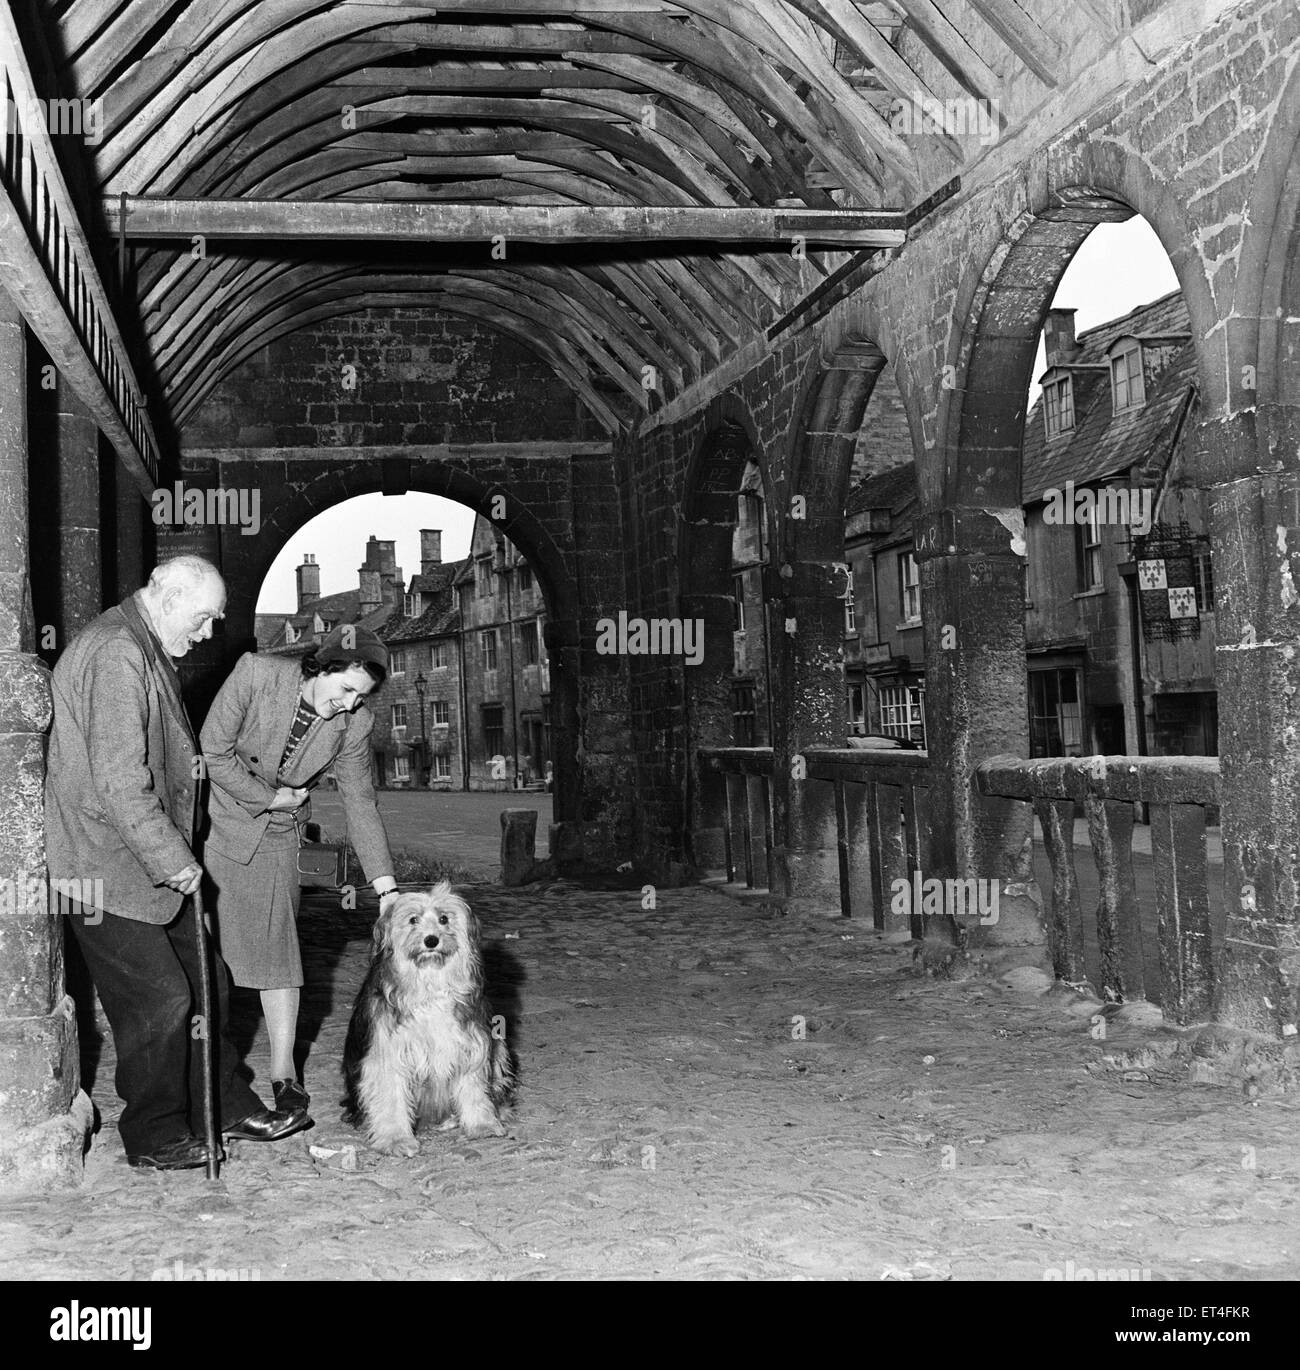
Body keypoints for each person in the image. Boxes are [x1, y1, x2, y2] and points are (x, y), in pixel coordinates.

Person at [45, 556, 303, 1171]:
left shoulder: (140, 644)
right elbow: (117, 779)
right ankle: (155, 1135)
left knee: (208, 982)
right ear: (167, 593)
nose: (210, 631)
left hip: (139, 863)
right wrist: (173, 859)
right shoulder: (115, 651)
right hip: (102, 866)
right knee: (160, 1000)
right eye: (206, 615)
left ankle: (227, 1107)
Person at [200, 624, 398, 1129]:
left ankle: (285, 1072)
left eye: (363, 697)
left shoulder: (354, 726)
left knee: (278, 947)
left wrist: (386, 889)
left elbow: (360, 802)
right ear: (323, 668)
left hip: (276, 836)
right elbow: (212, 749)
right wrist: (266, 796)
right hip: (214, 823)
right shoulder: (256, 674)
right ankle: (208, 1068)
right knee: (205, 953)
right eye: (348, 689)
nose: (353, 705)